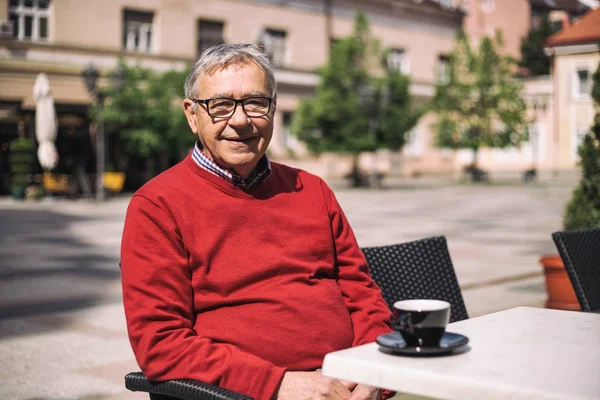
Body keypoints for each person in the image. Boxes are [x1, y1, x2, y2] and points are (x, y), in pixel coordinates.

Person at [120, 43, 393, 400]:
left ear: (274, 109)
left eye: (256, 102)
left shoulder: (312, 189)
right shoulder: (157, 206)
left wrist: (372, 369)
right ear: (191, 115)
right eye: (220, 106)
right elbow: (160, 343)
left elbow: (362, 295)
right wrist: (279, 385)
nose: (240, 120)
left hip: (349, 384)